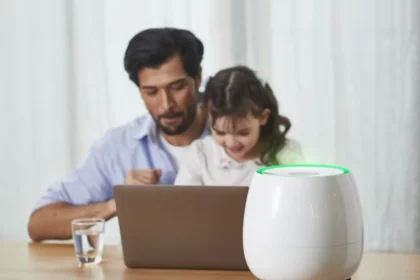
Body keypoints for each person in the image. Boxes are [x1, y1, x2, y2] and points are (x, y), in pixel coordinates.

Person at [28, 27, 209, 242]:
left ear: (197, 77)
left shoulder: (242, 133)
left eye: (177, 87)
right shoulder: (118, 147)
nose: (166, 105)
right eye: (151, 92)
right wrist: (120, 201)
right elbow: (39, 223)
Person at [174, 66, 304, 186]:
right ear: (208, 117)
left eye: (243, 133)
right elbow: (180, 205)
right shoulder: (200, 153)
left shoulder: (286, 154)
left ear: (263, 117)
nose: (231, 143)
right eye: (220, 132)